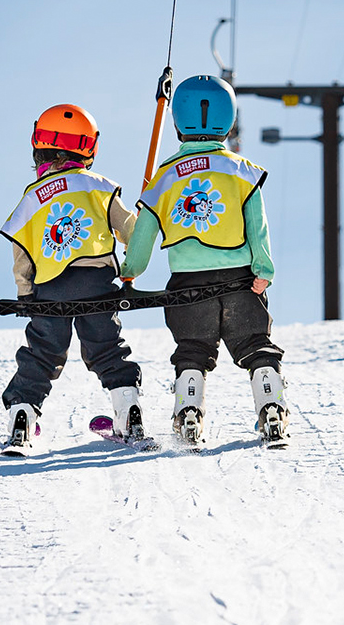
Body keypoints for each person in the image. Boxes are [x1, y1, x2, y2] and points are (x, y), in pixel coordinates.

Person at [121, 75, 289, 448]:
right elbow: (257, 226)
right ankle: (272, 409)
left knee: (193, 349)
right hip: (240, 279)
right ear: (227, 121)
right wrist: (263, 270)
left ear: (179, 121)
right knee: (255, 343)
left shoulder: (162, 178)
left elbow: (144, 234)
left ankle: (189, 414)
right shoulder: (243, 171)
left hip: (188, 283)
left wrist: (130, 270)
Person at [0, 103, 143, 454]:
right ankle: (129, 413)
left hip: (50, 290)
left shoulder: (32, 196)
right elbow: (132, 233)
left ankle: (22, 417)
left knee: (43, 354)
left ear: (39, 146)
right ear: (88, 148)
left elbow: (22, 252)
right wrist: (133, 257)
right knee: (107, 349)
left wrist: (26, 293)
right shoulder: (101, 187)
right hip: (97, 284)